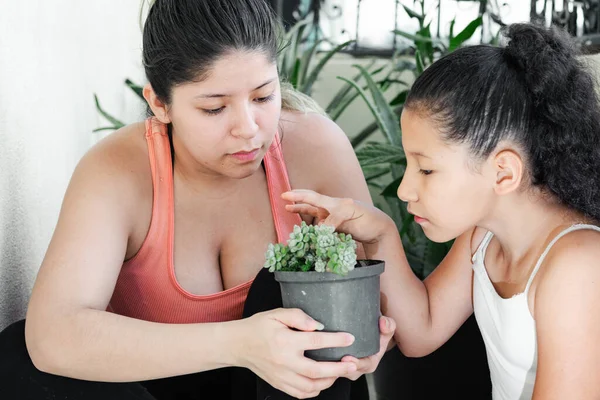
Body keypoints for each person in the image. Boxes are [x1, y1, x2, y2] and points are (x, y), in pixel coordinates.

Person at [0, 0, 396, 399]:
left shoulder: (315, 147)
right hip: (160, 390)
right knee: (15, 354)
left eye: (263, 97)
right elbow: (52, 335)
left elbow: (388, 313)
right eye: (214, 108)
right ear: (159, 103)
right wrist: (241, 344)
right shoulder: (118, 170)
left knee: (281, 293)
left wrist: (369, 339)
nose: (247, 129)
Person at [282, 23, 600, 400]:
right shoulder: (483, 237)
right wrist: (382, 232)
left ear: (503, 172)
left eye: (427, 169)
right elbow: (423, 329)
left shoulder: (578, 265)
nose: (404, 189)